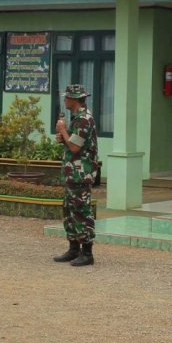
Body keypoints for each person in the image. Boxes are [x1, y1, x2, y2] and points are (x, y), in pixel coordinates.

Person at [52, 83, 99, 267]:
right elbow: (72, 142)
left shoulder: (84, 120)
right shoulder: (77, 118)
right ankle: (73, 249)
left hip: (81, 173)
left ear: (74, 99)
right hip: (73, 173)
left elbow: (75, 147)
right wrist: (64, 136)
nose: (64, 100)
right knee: (69, 209)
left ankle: (87, 253)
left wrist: (63, 131)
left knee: (81, 211)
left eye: (67, 98)